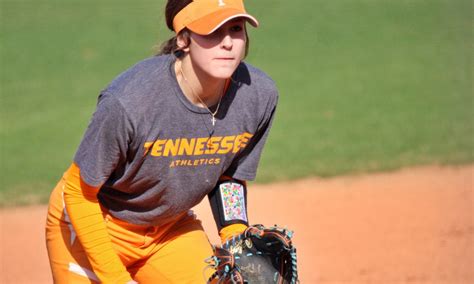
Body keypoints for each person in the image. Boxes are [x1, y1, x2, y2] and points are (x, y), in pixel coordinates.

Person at [45, 0, 278, 282]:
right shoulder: (131, 101)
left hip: (168, 230)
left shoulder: (257, 95)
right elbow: (79, 194)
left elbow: (228, 175)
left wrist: (236, 238)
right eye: (212, 31)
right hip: (95, 226)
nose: (227, 42)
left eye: (236, 29)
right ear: (183, 39)